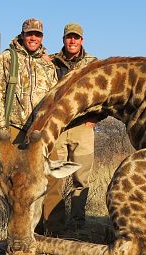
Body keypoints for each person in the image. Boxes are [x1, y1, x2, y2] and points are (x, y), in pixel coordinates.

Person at [0, 18, 64, 236]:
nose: (33, 38)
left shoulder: (48, 64)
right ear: (22, 35)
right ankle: (21, 231)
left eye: (37, 35)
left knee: (52, 178)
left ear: (42, 37)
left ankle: (54, 231)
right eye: (30, 34)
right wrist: (1, 129)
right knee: (15, 183)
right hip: (14, 128)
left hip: (42, 131)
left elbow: (55, 98)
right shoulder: (6, 58)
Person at [49, 23, 98, 231]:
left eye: (76, 38)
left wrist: (95, 119)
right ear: (63, 39)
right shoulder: (50, 62)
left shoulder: (93, 64)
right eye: (69, 37)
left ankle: (79, 222)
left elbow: (104, 92)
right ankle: (55, 223)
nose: (72, 41)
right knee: (54, 179)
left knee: (81, 178)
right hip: (58, 129)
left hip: (83, 128)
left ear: (82, 41)